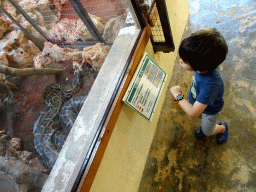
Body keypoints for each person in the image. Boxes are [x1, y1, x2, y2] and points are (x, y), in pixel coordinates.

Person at [170, 28, 229, 144]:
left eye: (183, 61)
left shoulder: (211, 85)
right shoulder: (203, 66)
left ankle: (222, 128)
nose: (179, 60)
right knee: (203, 121)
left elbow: (193, 112)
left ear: (200, 66)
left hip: (210, 111)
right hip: (200, 102)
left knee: (207, 131)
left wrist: (179, 95)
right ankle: (207, 127)